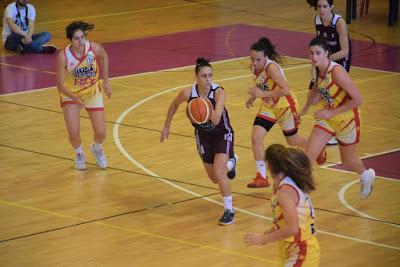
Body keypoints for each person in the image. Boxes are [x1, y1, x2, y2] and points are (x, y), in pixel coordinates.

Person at [161, 58, 237, 225]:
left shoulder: (219, 92)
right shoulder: (188, 93)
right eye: (203, 76)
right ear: (196, 77)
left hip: (222, 132)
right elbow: (174, 105)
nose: (208, 79)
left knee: (219, 171)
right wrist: (166, 125)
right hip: (203, 136)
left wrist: (203, 106)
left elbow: (216, 120)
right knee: (214, 178)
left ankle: (229, 211)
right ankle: (231, 163)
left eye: (210, 75)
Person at [299, 37, 375, 199]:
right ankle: (300, 194)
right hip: (327, 118)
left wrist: (331, 113)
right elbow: (316, 90)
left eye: (318, 53)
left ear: (327, 53)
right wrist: (304, 109)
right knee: (308, 157)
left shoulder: (337, 72)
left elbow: (358, 100)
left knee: (348, 160)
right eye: (311, 53)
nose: (314, 57)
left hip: (347, 120)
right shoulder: (316, 69)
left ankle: (365, 175)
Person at [245, 37, 325, 189]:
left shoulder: (271, 68)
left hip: (285, 106)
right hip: (269, 107)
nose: (254, 62)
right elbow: (262, 85)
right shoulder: (254, 67)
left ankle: (317, 147)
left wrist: (261, 94)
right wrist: (253, 97)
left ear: (266, 57)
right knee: (256, 137)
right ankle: (261, 176)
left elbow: (285, 90)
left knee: (292, 141)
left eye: (258, 59)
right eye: (252, 58)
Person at [244, 144, 320, 266]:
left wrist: (263, 239)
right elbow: (284, 220)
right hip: (290, 248)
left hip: (301, 249)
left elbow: (292, 228)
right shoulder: (283, 184)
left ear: (268, 164)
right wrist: (268, 233)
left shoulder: (285, 192)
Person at [56, 21, 112, 170]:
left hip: (92, 91)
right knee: (74, 134)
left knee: (101, 133)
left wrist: (106, 82)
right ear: (70, 40)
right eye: (76, 38)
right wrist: (75, 99)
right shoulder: (63, 56)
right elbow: (60, 84)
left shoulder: (93, 47)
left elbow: (104, 56)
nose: (81, 41)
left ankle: (97, 148)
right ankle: (79, 153)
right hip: (71, 95)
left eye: (82, 37)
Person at [311, 0, 352, 145]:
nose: (321, 10)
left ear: (331, 7)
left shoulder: (339, 22)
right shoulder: (317, 20)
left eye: (325, 6)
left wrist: (326, 60)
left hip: (340, 58)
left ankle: (338, 129)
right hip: (326, 58)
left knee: (335, 94)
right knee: (322, 92)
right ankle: (330, 126)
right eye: (319, 7)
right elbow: (319, 45)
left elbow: (345, 50)